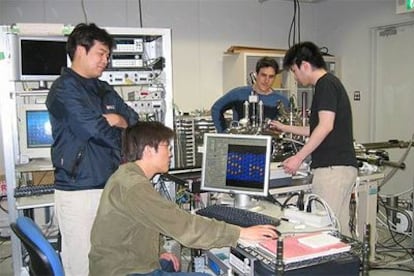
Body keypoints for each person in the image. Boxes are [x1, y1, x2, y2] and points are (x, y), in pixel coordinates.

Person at [89, 121, 278, 275]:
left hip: (121, 265)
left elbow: (141, 224)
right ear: (148, 151)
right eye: (166, 147)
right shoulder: (135, 186)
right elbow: (185, 226)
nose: (170, 153)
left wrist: (159, 251)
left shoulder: (126, 175)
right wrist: (239, 233)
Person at [46, 23, 139, 276]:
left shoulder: (103, 88)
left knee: (111, 260)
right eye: (101, 53)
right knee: (82, 264)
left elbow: (134, 119)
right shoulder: (64, 89)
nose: (105, 61)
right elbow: (95, 130)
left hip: (110, 186)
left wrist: (121, 120)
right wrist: (120, 127)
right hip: (79, 190)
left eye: (108, 55)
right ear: (79, 50)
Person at [269, 41, 358, 235]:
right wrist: (284, 127)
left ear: (305, 65)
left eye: (294, 70)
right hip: (340, 169)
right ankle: (347, 265)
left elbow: (325, 127)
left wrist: (298, 157)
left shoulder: (325, 85)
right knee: (339, 230)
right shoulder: (330, 84)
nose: (295, 75)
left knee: (324, 231)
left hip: (332, 170)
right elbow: (316, 128)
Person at [211, 56, 289, 133]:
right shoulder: (239, 94)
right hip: (240, 143)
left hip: (268, 143)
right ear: (256, 74)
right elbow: (216, 108)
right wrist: (223, 134)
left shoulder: (282, 101)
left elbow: (287, 127)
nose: (266, 80)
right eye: (263, 75)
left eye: (271, 77)